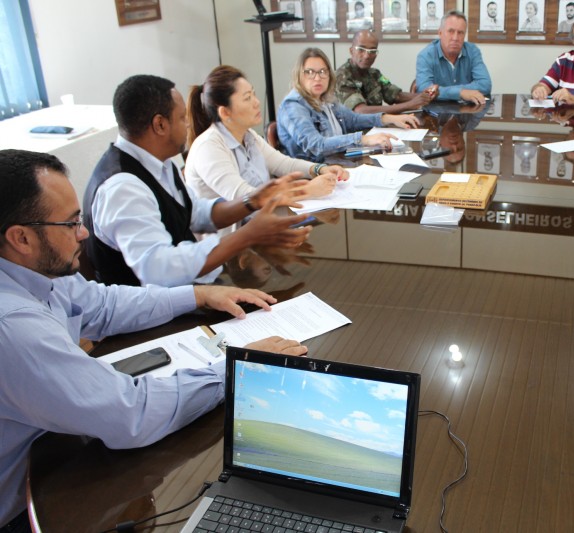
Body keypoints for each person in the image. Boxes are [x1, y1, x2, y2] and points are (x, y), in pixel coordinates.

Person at [0, 149, 308, 530]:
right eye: (71, 223)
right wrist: (233, 368)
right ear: (21, 238)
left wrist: (196, 294)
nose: (84, 233)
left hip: (53, 449)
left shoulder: (30, 271)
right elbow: (131, 414)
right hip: (23, 508)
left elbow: (101, 305)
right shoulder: (13, 326)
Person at [84, 74, 313, 287]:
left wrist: (252, 200)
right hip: (153, 318)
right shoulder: (123, 187)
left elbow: (196, 213)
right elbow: (159, 270)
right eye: (182, 118)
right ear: (160, 124)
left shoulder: (161, 164)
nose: (187, 125)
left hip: (188, 291)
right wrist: (248, 235)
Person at [184, 65, 348, 238]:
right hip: (228, 247)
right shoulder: (208, 147)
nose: (257, 102)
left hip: (259, 228)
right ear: (225, 112)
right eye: (247, 98)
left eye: (254, 94)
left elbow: (283, 163)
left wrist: (319, 169)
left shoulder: (248, 135)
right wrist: (308, 190)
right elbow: (244, 198)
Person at [278, 48, 419, 162]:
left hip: (340, 162)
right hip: (314, 174)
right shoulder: (293, 106)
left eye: (322, 72)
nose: (317, 78)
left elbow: (353, 119)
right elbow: (316, 145)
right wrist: (364, 139)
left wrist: (388, 118)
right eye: (309, 72)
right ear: (299, 76)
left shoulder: (325, 99)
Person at [335, 31, 437, 114]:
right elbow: (361, 111)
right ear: (351, 50)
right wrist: (410, 105)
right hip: (353, 134)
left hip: (376, 128)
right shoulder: (342, 76)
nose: (367, 56)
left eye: (372, 51)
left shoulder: (375, 74)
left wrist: (426, 95)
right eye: (361, 49)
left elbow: (396, 95)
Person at [415, 10, 493, 105]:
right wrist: (460, 92)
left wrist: (445, 91)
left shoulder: (472, 51)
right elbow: (424, 89)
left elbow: (485, 84)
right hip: (437, 114)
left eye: (460, 33)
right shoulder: (426, 56)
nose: (455, 38)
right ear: (440, 33)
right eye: (451, 31)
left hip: (466, 113)